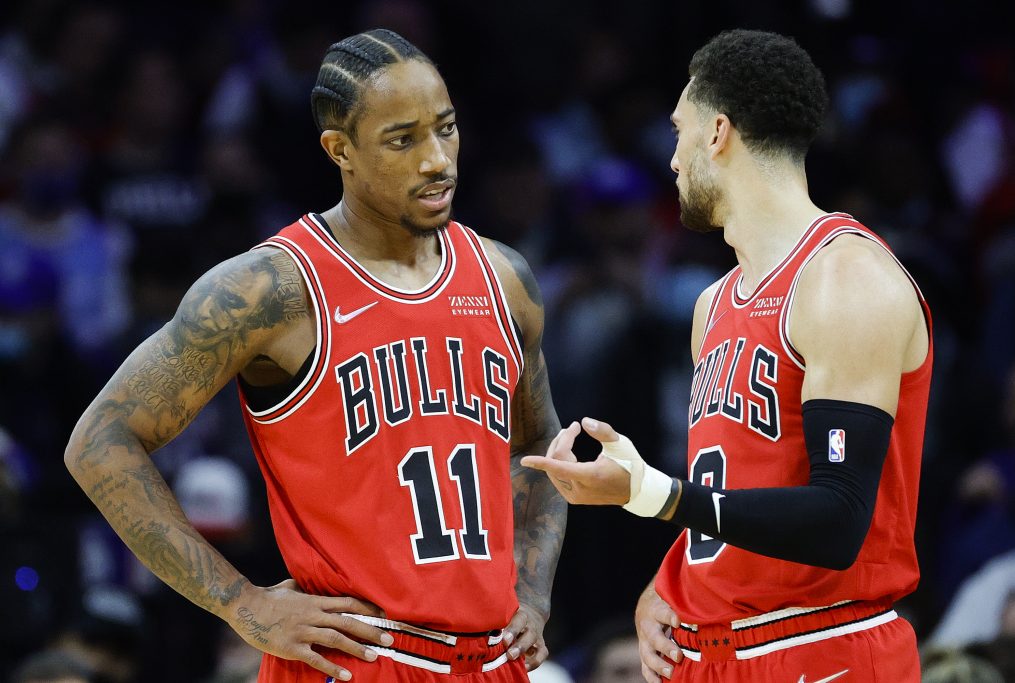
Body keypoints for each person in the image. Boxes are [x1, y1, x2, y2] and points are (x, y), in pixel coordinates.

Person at [65, 29, 566, 683]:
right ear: (341, 150)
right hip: (359, 660)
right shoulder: (270, 289)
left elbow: (541, 443)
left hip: (492, 660)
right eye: (402, 139)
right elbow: (99, 440)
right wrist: (240, 602)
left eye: (445, 129)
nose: (437, 159)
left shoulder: (505, 278)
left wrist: (533, 589)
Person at [523, 29, 932, 682]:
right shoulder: (711, 305)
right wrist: (678, 578)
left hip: (823, 645)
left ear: (718, 132)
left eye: (679, 132)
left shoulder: (845, 279)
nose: (673, 159)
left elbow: (837, 517)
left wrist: (651, 492)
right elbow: (742, 485)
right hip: (715, 652)